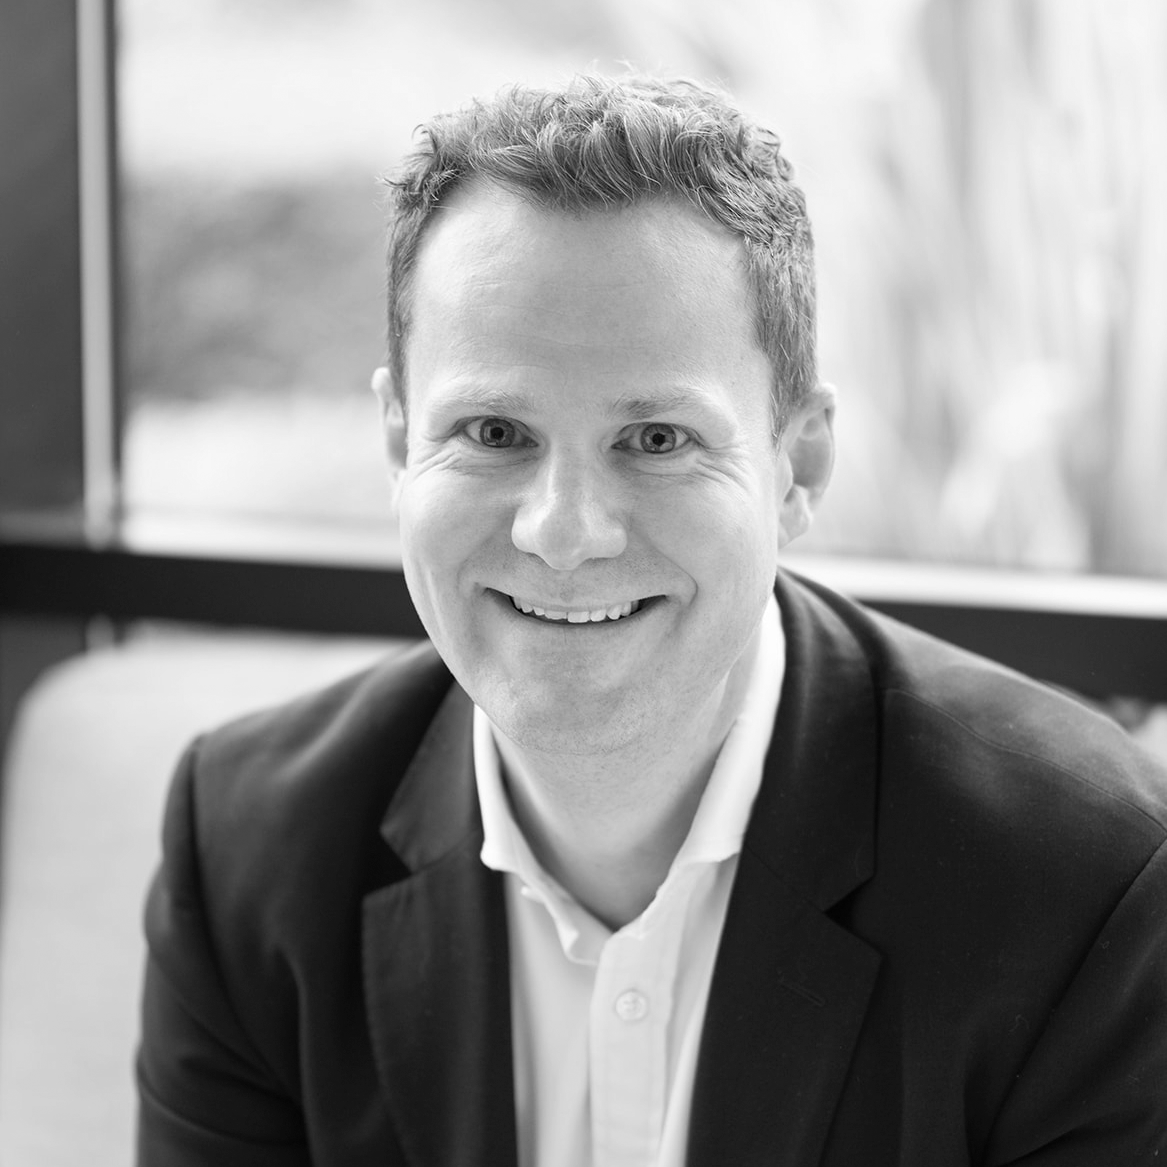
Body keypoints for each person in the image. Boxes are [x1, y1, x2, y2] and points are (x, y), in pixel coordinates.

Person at [135, 75, 1167, 1166]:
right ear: (398, 442)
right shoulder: (246, 854)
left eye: (658, 439)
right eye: (492, 430)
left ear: (798, 461)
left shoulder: (1087, 886)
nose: (564, 532)